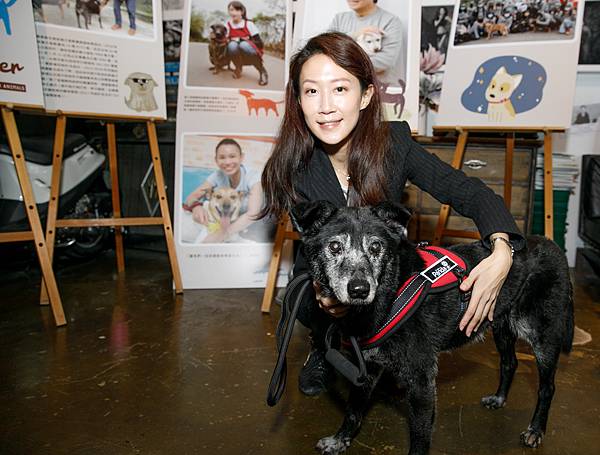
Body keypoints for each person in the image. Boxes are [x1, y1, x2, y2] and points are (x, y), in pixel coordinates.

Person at [260, 32, 524, 396]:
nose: (325, 106)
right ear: (298, 100)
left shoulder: (395, 145)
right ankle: (324, 346)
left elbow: (468, 191)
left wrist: (502, 249)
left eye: (339, 89)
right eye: (311, 91)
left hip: (384, 271)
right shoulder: (294, 168)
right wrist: (322, 294)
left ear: (366, 95)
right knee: (310, 301)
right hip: (327, 274)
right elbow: (310, 261)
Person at [183, 138, 264, 243]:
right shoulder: (217, 175)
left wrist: (221, 234)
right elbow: (191, 197)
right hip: (227, 222)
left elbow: (253, 214)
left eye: (232, 156)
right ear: (216, 160)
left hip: (255, 225)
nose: (227, 162)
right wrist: (196, 207)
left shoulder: (253, 177)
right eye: (222, 157)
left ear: (241, 157)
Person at [329, 0, 404, 86]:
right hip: (342, 90)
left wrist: (340, 60)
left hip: (379, 92)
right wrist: (355, 35)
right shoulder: (339, 19)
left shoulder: (390, 21)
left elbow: (385, 61)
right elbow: (326, 50)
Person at [226, 1, 269, 86]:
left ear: (241, 12)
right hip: (236, 53)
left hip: (250, 51)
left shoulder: (248, 24)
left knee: (244, 45)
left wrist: (244, 40)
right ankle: (238, 68)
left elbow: (259, 43)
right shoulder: (228, 25)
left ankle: (262, 71)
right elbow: (224, 39)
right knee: (232, 45)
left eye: (236, 10)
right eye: (230, 10)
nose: (232, 13)